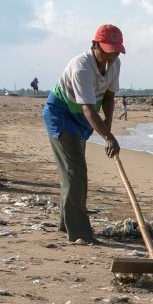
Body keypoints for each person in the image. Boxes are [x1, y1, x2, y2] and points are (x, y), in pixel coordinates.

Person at [42, 24, 124, 245]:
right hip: (62, 115)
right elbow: (88, 108)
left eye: (115, 50)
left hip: (83, 119)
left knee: (74, 173)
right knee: (75, 171)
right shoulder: (81, 67)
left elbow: (108, 97)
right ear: (94, 45)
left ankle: (65, 223)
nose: (111, 55)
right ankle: (78, 232)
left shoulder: (115, 64)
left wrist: (108, 125)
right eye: (107, 50)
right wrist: (107, 137)